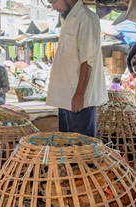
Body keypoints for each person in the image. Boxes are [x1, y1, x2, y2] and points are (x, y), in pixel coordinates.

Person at [46, 0, 107, 138]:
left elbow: (87, 60)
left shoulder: (86, 18)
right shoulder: (68, 18)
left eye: (54, 2)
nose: (53, 7)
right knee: (67, 145)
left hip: (79, 99)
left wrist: (79, 94)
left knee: (82, 146)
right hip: (66, 97)